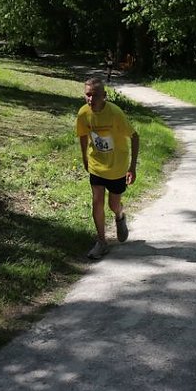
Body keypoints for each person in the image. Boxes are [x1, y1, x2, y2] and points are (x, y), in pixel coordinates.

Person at [75, 77, 139, 259]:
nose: (90, 99)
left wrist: (132, 167)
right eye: (88, 95)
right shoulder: (83, 113)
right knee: (96, 201)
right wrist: (84, 158)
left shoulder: (115, 113)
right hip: (96, 164)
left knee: (113, 204)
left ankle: (120, 214)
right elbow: (82, 135)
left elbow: (135, 137)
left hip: (117, 166)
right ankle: (101, 242)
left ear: (104, 96)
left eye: (95, 95)